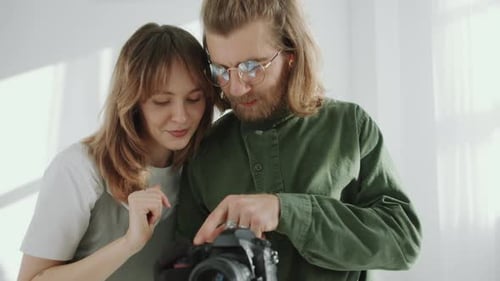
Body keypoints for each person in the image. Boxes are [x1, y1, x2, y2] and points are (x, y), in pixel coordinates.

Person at [175, 0, 422, 280]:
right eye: (222, 69)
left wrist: (285, 210)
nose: (237, 87)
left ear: (291, 52)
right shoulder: (204, 149)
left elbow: (403, 241)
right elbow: (185, 264)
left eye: (252, 67)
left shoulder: (349, 126)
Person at [17, 22, 219, 281]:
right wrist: (129, 244)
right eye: (161, 101)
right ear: (133, 101)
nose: (181, 117)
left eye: (194, 99)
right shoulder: (78, 169)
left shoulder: (199, 165)